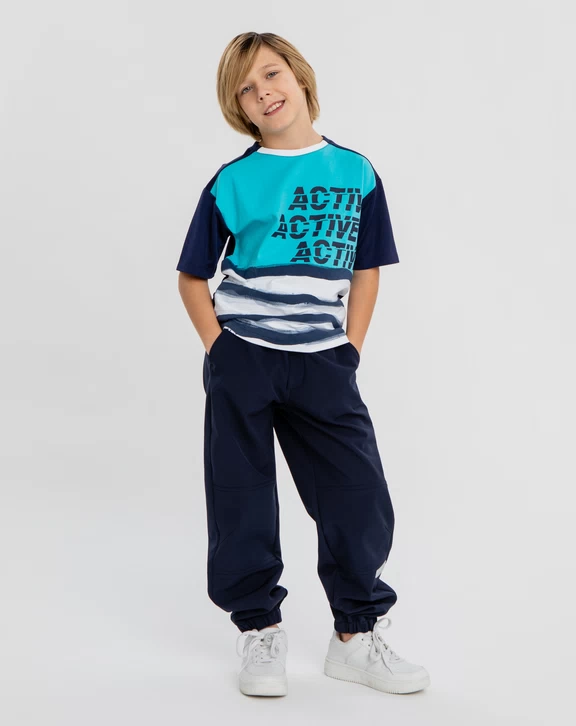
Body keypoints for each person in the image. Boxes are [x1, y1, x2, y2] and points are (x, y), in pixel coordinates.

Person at [176, 31, 430, 697]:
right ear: (237, 107)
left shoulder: (356, 173)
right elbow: (192, 276)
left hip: (323, 361)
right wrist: (221, 349)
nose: (263, 91)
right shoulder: (232, 181)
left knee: (358, 495)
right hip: (244, 358)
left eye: (270, 74)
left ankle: (355, 637)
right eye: (245, 88)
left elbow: (367, 269)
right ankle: (259, 629)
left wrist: (350, 349)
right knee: (241, 496)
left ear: (299, 76)